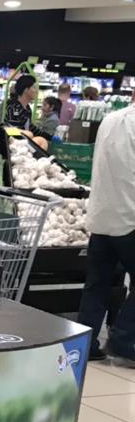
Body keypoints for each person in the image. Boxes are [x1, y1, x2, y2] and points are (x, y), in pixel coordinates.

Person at [77, 92, 135, 363]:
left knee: (97, 285)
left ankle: (86, 344)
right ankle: (122, 340)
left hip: (101, 216)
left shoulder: (109, 120)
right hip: (130, 219)